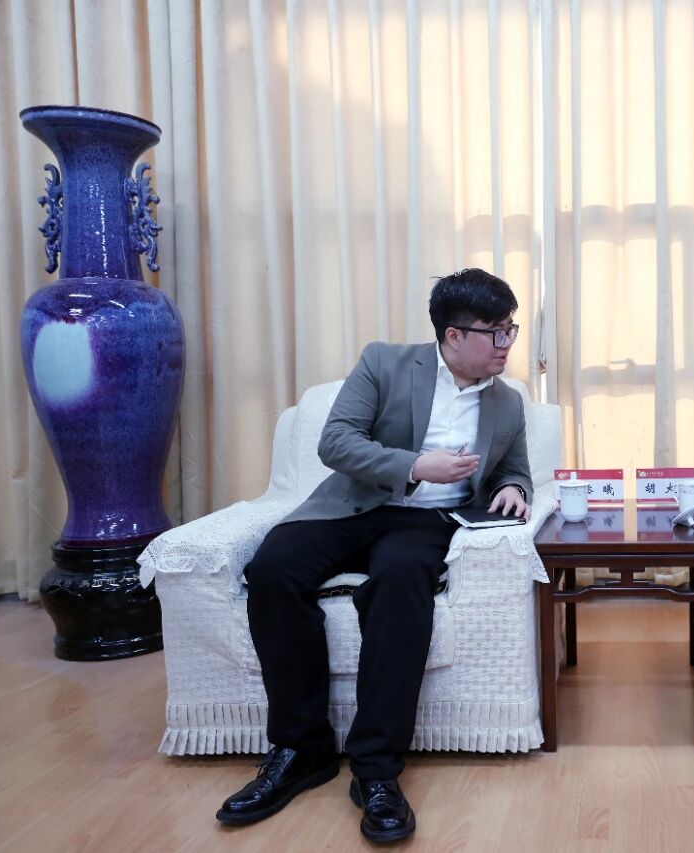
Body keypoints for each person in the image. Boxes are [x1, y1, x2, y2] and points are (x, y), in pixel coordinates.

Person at [215, 268, 533, 841]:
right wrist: (415, 466)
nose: (506, 343)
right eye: (496, 332)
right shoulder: (384, 363)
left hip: (427, 523)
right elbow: (336, 441)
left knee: (400, 584)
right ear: (454, 335)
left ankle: (376, 769)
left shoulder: (507, 403)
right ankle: (301, 749)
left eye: (510, 329)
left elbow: (515, 468)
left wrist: (514, 488)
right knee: (273, 571)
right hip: (350, 506)